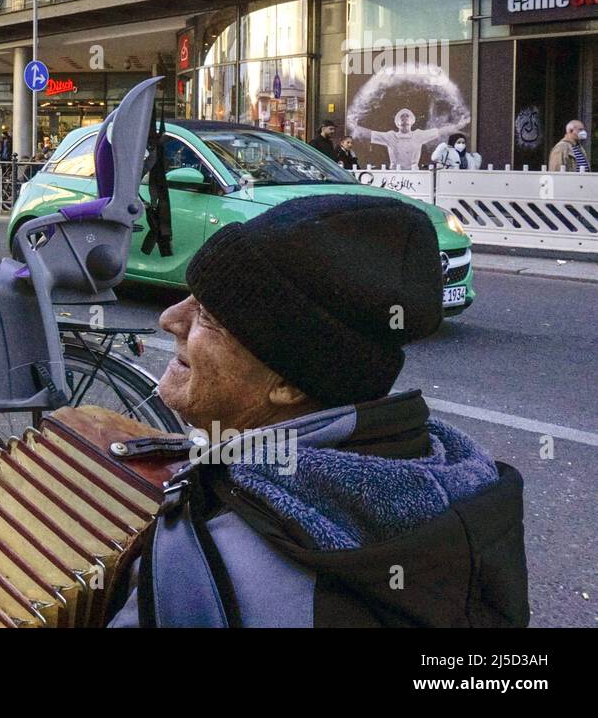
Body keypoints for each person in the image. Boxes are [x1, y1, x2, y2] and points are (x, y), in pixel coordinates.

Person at [108, 195, 529, 627]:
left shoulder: (213, 568)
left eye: (209, 316)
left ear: (288, 384)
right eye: (189, 297)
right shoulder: (459, 485)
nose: (169, 319)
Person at [355, 107, 449, 168]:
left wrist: (457, 126)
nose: (404, 118)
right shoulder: (390, 136)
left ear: (412, 120)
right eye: (401, 117)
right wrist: (355, 127)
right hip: (395, 172)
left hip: (414, 172)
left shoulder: (418, 135)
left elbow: (438, 132)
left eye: (407, 116)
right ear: (397, 122)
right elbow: (370, 134)